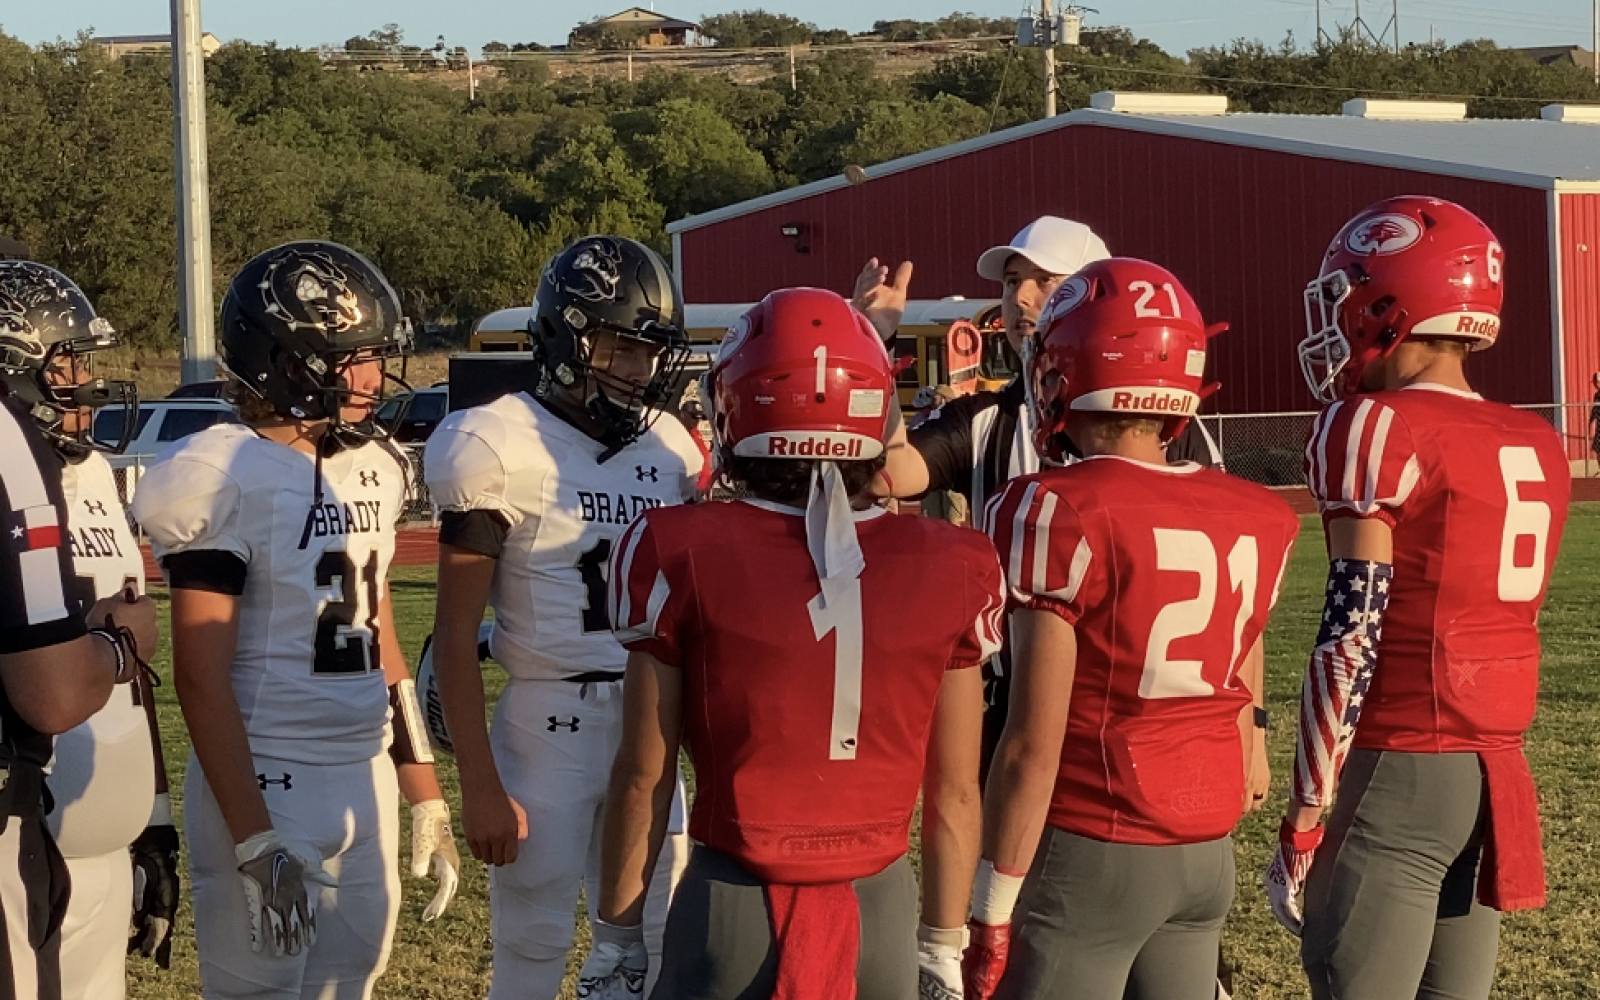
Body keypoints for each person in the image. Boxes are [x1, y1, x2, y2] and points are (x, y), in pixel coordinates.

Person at [594, 287, 1003, 1000]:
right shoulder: (955, 560)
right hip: (881, 904)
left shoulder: (678, 547)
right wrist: (941, 941)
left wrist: (616, 933)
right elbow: (956, 792)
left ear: (733, 407)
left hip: (731, 903)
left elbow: (644, 776)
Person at [132, 241, 460, 1000]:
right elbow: (200, 677)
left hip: (362, 773)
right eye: (355, 358)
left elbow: (382, 642)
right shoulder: (219, 474)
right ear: (287, 360)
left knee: (356, 983)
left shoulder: (373, 466)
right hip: (266, 780)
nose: (375, 379)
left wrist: (423, 787)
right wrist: (254, 838)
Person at [1263, 196, 1571, 1000]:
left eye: (1348, 293)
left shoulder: (1371, 426)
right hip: (1493, 769)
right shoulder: (1535, 440)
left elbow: (1350, 635)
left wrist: (1305, 813)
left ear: (1391, 298)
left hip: (1399, 764)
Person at [963, 258, 1296, 1000]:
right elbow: (1242, 667)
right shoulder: (1256, 513)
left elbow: (1031, 743)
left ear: (1069, 370)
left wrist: (989, 909)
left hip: (1094, 847)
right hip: (1204, 856)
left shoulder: (1055, 505)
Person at [423, 235, 702, 1000]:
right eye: (618, 346)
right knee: (533, 937)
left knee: (655, 936)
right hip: (548, 724)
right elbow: (453, 636)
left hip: (650, 716)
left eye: (649, 351)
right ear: (566, 337)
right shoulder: (496, 441)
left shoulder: (672, 449)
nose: (639, 369)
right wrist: (476, 782)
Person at [856, 218, 1224, 781]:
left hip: (1139, 706)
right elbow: (886, 473)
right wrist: (871, 344)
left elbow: (1227, 580)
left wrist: (1256, 723)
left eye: (1045, 281)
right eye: (1011, 281)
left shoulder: (1165, 419)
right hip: (1012, 702)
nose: (1020, 298)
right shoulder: (985, 421)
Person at [0, 260, 179, 998]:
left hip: (106, 828)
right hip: (34, 828)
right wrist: (118, 643)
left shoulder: (98, 476)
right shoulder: (16, 473)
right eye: (65, 363)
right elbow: (110, 649)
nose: (85, 383)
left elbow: (136, 678)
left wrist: (156, 825)